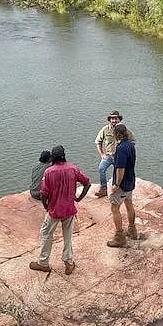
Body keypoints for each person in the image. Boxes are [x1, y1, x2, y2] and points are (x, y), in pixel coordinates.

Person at [29, 145, 90, 275]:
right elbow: (87, 183)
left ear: (53, 157)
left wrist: (46, 206)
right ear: (64, 155)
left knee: (46, 233)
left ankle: (43, 263)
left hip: (54, 210)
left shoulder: (49, 172)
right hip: (69, 209)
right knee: (67, 236)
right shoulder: (73, 169)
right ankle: (68, 263)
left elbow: (44, 193)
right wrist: (79, 198)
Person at [106, 123, 138, 247]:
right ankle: (132, 230)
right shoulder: (130, 145)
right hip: (130, 182)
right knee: (129, 204)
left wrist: (116, 185)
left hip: (123, 184)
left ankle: (119, 237)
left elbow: (120, 168)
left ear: (116, 134)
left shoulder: (121, 148)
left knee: (115, 208)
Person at [94, 110, 134, 198]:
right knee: (101, 169)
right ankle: (103, 188)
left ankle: (119, 190)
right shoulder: (105, 129)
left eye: (116, 118)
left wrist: (127, 154)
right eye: (112, 119)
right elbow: (98, 142)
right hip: (108, 156)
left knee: (118, 173)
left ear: (119, 119)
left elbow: (132, 141)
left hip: (119, 157)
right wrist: (102, 154)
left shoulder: (125, 130)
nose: (114, 121)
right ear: (109, 120)